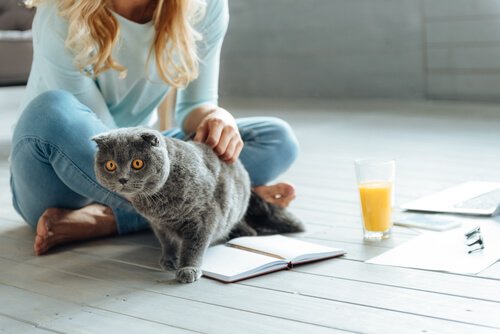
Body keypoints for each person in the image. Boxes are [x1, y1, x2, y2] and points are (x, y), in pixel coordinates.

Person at [10, 0, 299, 256]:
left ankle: (107, 221)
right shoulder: (59, 12)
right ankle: (216, 205)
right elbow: (104, 144)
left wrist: (215, 117)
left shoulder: (204, 5)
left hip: (141, 164)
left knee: (274, 138)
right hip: (63, 170)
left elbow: (196, 104)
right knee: (51, 109)